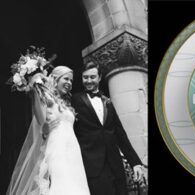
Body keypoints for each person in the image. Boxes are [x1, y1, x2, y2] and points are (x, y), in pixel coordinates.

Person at [7, 66, 90, 195]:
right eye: (66, 79)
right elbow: (41, 119)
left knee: (77, 184)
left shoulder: (66, 103)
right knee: (63, 184)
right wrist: (36, 87)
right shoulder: (46, 97)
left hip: (73, 150)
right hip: (58, 148)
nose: (69, 83)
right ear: (55, 79)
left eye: (71, 81)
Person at [72, 62, 144, 195]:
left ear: (99, 78)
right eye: (85, 77)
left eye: (92, 77)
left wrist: (135, 163)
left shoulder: (107, 101)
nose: (88, 81)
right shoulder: (75, 100)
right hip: (93, 167)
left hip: (116, 166)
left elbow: (120, 134)